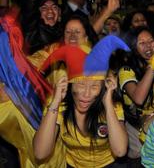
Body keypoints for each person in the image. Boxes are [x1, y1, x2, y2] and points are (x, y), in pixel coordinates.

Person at [33, 36, 130, 167]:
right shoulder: (59, 104)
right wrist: (55, 102)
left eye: (94, 86)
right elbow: (40, 153)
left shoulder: (111, 102)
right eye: (81, 85)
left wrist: (107, 104)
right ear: (70, 84)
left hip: (109, 164)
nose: (86, 94)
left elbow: (120, 150)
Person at [118, 27, 154, 159]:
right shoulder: (126, 70)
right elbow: (138, 98)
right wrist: (153, 65)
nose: (148, 46)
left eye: (151, 41)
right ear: (132, 47)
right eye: (142, 43)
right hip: (137, 128)